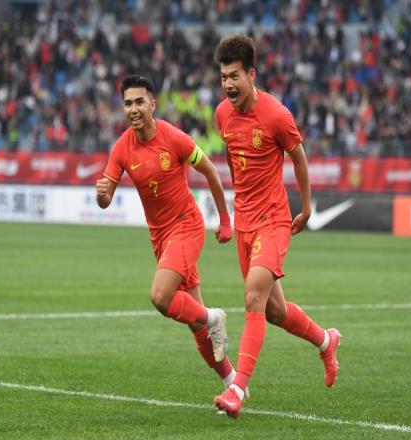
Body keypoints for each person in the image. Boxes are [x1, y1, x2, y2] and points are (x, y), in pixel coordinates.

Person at [212, 35, 341, 419]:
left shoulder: (276, 115)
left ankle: (237, 390)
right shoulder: (222, 114)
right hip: (244, 223)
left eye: (234, 76)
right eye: (223, 77)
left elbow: (298, 158)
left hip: (273, 220)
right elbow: (234, 159)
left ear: (251, 74)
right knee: (274, 312)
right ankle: (325, 341)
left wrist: (306, 207)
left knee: (253, 296)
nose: (228, 84)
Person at [96, 74, 240, 392]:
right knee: (196, 327)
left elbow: (211, 172)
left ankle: (214, 317)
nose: (133, 109)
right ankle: (233, 385)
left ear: (152, 104)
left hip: (186, 225)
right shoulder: (121, 148)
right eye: (127, 104)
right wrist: (101, 194)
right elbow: (106, 201)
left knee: (161, 297)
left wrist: (224, 220)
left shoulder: (174, 138)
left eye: (139, 102)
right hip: (160, 238)